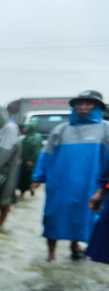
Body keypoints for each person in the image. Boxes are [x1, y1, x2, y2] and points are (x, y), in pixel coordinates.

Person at [31, 90, 109, 261]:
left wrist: (105, 187)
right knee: (53, 216)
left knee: (82, 217)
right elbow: (46, 154)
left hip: (91, 184)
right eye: (79, 104)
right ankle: (51, 254)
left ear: (97, 107)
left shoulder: (105, 129)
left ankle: (75, 246)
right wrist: (38, 177)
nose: (83, 107)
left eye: (88, 104)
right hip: (60, 184)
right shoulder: (61, 129)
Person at [18, 121, 43, 198]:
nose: (24, 129)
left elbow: (37, 151)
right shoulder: (25, 138)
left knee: (30, 177)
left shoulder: (36, 139)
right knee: (24, 177)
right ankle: (23, 191)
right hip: (24, 162)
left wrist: (32, 160)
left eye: (26, 127)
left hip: (30, 162)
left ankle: (31, 189)